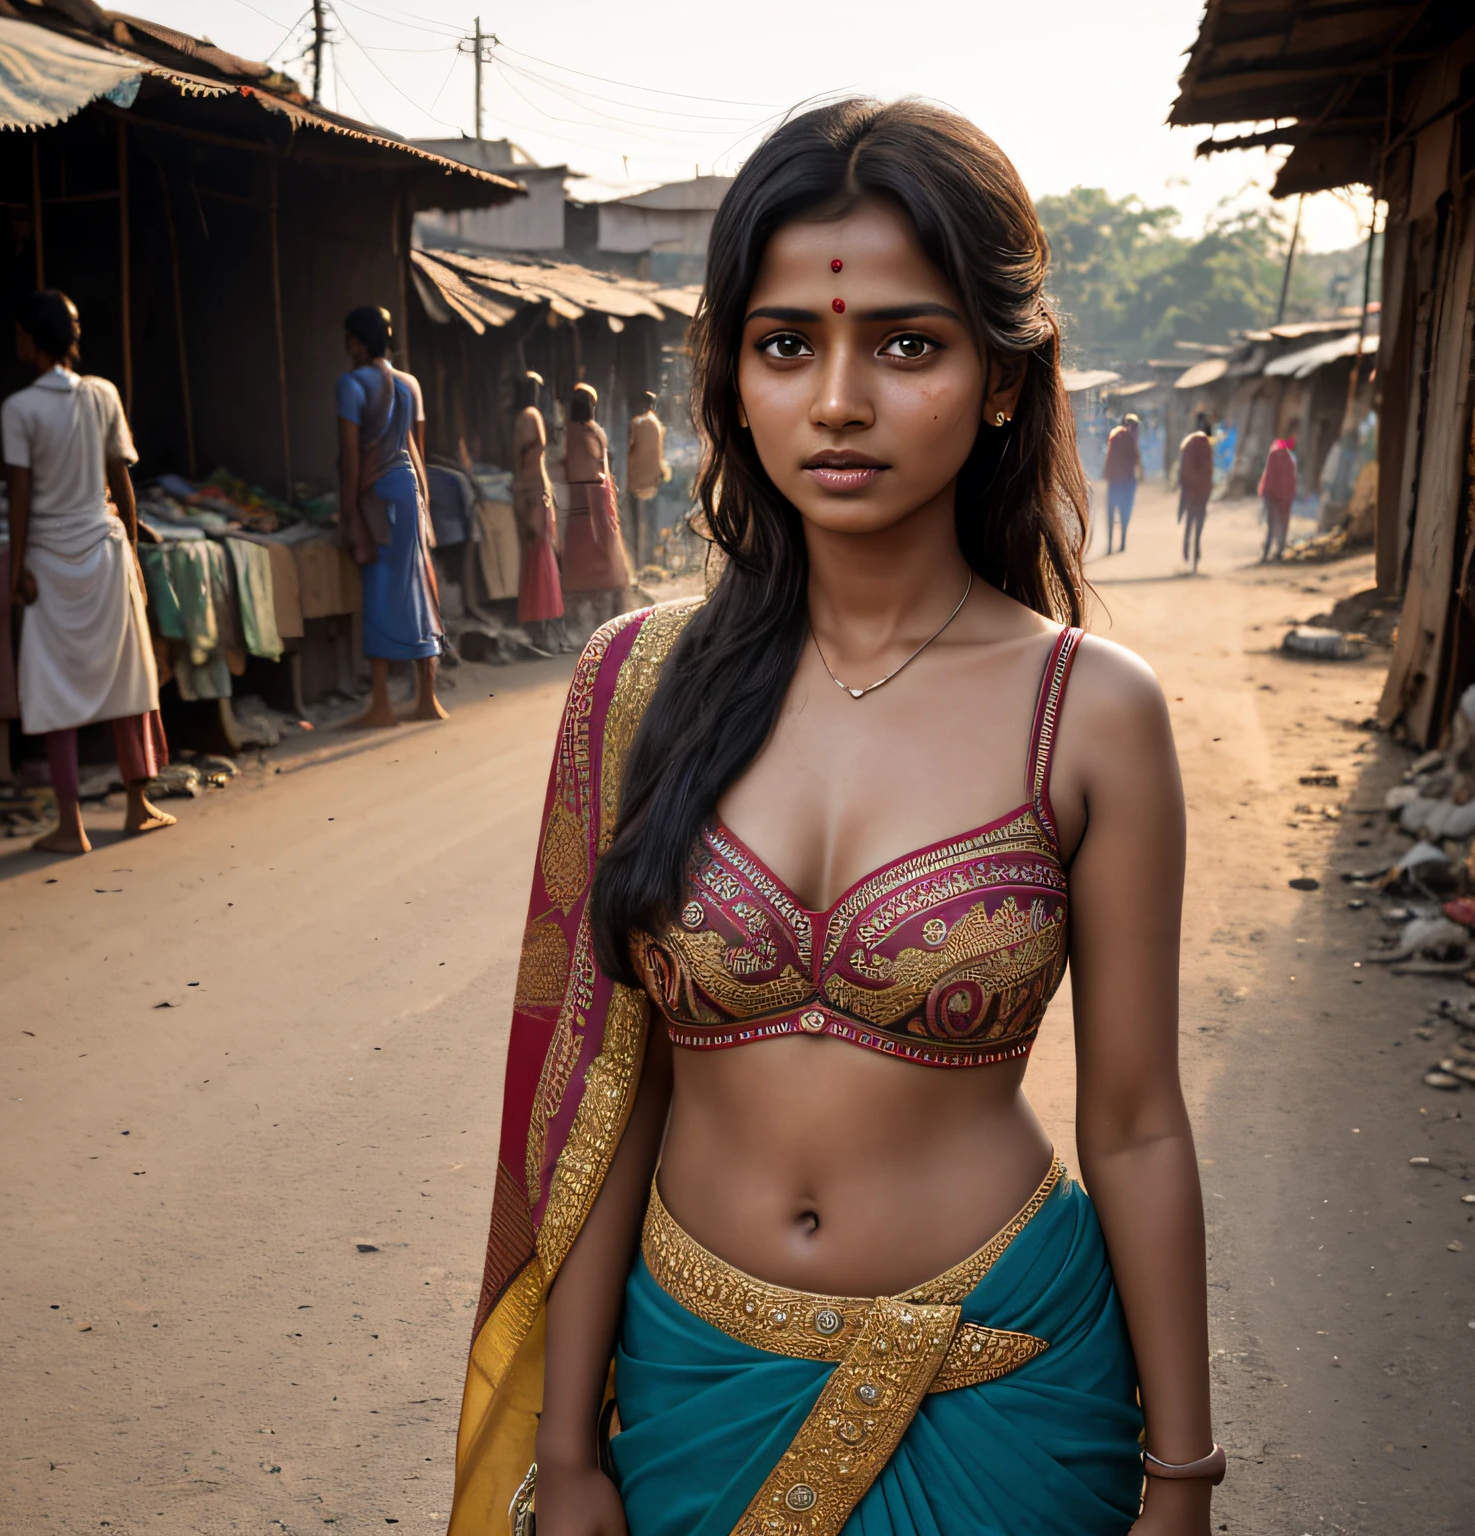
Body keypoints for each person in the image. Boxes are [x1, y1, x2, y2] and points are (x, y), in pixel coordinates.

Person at [448, 100, 1217, 1536]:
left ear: (1000, 379)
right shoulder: (638, 686)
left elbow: (1135, 1124)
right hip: (689, 1379)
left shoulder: (1091, 710)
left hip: (1005, 1382)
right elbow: (611, 1098)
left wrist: (1182, 1479)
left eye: (906, 344)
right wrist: (567, 1448)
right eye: (788, 342)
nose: (840, 399)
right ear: (737, 378)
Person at [3, 290, 173, 855]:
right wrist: (134, 549)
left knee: (53, 690)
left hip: (50, 561)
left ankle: (70, 824)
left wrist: (17, 567)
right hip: (106, 552)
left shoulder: (20, 409)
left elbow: (20, 498)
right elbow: (121, 480)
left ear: (30, 339)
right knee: (130, 680)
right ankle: (137, 805)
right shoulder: (103, 394)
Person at [336, 305, 446, 728]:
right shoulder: (410, 383)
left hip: (376, 494)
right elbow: (416, 446)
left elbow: (350, 460)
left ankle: (381, 704)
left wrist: (348, 515)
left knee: (379, 590)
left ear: (358, 341)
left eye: (349, 338)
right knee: (418, 587)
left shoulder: (351, 385)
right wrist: (425, 504)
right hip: (410, 490)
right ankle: (426, 699)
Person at [560, 382, 631, 635]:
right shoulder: (584, 432)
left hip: (589, 498)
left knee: (599, 552)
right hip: (588, 498)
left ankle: (604, 623)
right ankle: (595, 624)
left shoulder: (578, 433)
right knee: (596, 552)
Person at [513, 371, 565, 653]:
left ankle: (540, 631)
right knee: (541, 562)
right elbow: (529, 462)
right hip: (534, 494)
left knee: (536, 561)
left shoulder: (523, 418)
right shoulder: (531, 416)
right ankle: (542, 632)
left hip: (531, 493)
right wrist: (534, 497)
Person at [625, 391, 670, 566]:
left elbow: (631, 450)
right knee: (650, 521)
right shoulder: (658, 425)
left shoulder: (637, 423)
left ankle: (637, 560)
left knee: (636, 521)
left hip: (636, 478)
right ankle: (650, 559)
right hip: (653, 478)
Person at [1177, 413, 1214, 571]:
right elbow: (1208, 470)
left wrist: (1185, 488)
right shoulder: (1206, 445)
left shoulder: (1188, 443)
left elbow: (1183, 470)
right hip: (1201, 492)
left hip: (1190, 491)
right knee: (1198, 525)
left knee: (1189, 522)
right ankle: (1195, 556)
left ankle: (1186, 553)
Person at [1103, 412, 1141, 555]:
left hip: (1114, 480)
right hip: (1127, 481)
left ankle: (1109, 546)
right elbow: (1136, 459)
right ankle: (1122, 543)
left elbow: (1109, 457)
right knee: (1125, 511)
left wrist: (1106, 474)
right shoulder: (1131, 438)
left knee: (1111, 513)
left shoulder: (1114, 435)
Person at [1258, 427, 1298, 562]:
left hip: (1273, 495)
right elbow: (1290, 481)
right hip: (1281, 497)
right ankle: (1278, 552)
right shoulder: (1288, 458)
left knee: (1272, 526)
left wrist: (1265, 493)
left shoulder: (1275, 455)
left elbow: (1268, 477)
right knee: (1281, 524)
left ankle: (1267, 553)